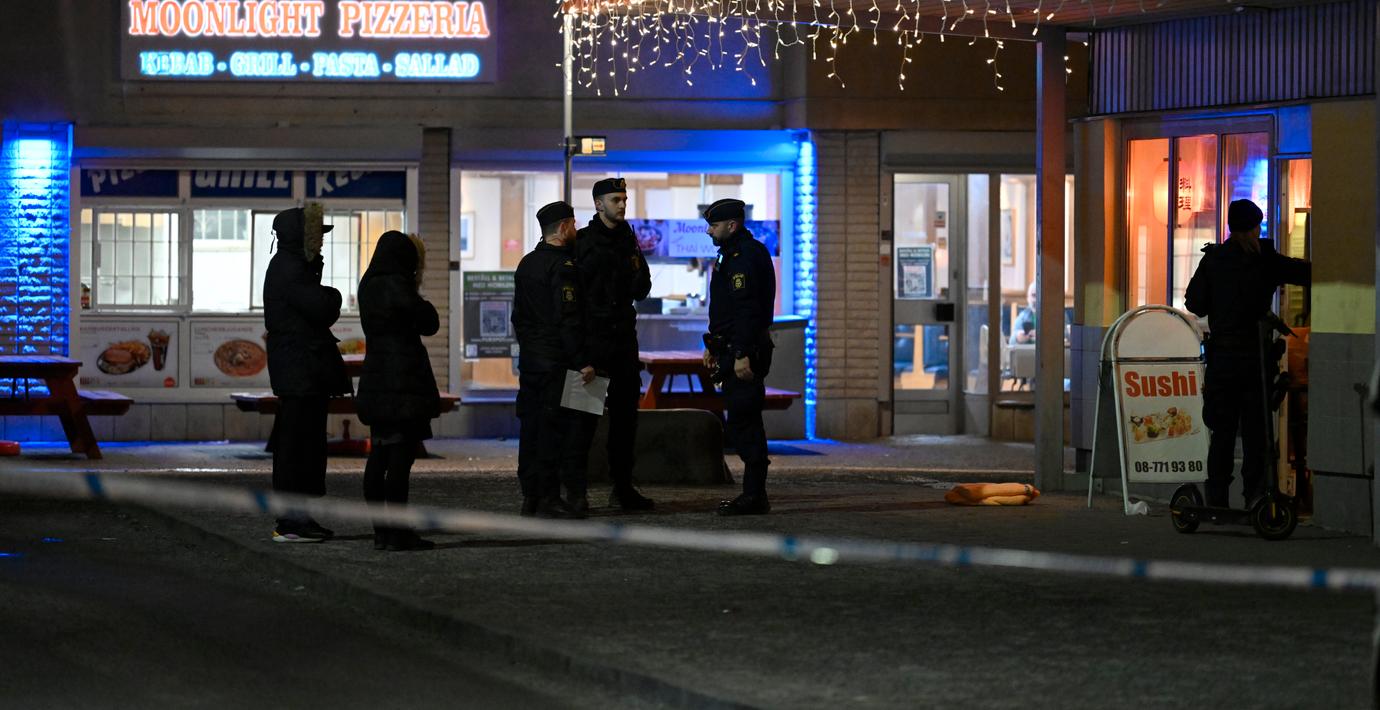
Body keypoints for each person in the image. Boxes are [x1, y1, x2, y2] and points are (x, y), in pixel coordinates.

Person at [1185, 199, 1310, 509]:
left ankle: (1217, 501)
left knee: (1223, 433)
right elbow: (1304, 273)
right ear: (1254, 228)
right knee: (1256, 434)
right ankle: (1255, 497)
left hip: (1223, 361)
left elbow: (1194, 304)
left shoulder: (1214, 259)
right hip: (1255, 362)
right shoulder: (1264, 260)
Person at [263, 204, 351, 543]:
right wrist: (333, 294)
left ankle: (299, 519)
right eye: (316, 235)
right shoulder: (290, 268)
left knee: (304, 447)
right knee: (298, 448)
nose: (321, 242)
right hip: (299, 371)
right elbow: (323, 308)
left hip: (302, 371)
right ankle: (291, 522)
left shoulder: (293, 266)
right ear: (301, 237)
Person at [569, 177, 656, 514]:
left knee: (625, 421)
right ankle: (575, 492)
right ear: (598, 204)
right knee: (581, 421)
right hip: (592, 345)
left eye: (624, 199)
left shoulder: (628, 240)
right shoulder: (582, 242)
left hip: (622, 344)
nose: (622, 205)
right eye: (615, 200)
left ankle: (623, 488)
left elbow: (642, 288)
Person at [355, 231, 440, 551]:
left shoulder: (368, 285)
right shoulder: (397, 284)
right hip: (402, 383)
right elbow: (429, 321)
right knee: (400, 460)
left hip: (376, 380)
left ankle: (381, 531)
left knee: (378, 456)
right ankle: (398, 533)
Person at [513, 201, 596, 518]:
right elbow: (568, 318)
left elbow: (519, 318)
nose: (576, 229)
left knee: (531, 429)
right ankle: (551, 497)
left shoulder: (526, 264)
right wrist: (583, 360)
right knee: (560, 432)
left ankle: (531, 496)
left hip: (532, 362)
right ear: (563, 228)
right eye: (573, 224)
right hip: (560, 364)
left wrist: (531, 349)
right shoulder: (564, 267)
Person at [702, 198, 776, 516]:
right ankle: (753, 493)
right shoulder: (730, 253)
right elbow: (725, 309)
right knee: (741, 420)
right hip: (733, 348)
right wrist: (713, 344)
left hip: (744, 351)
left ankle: (754, 495)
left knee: (745, 422)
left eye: (714, 225)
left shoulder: (744, 256)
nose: (709, 231)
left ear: (732, 225)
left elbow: (747, 310)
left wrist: (742, 354)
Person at [1010, 281, 1039, 346]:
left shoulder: (1055, 316)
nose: (1036, 299)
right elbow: (1011, 341)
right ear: (1028, 298)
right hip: (1028, 351)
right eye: (1033, 295)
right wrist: (1017, 338)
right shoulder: (1022, 317)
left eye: (1040, 296)